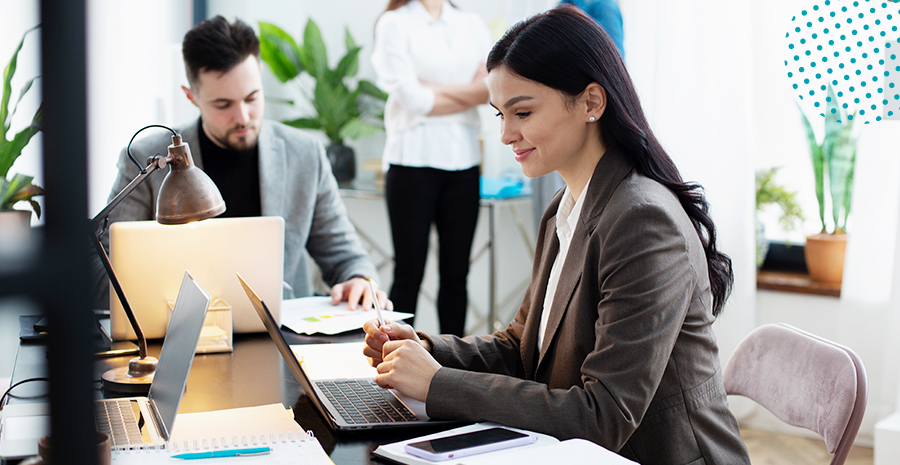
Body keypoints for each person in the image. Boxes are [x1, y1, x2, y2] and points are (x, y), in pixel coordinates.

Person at [363, 6, 750, 464]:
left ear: (591, 102)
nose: (507, 134)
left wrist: (437, 383)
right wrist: (425, 349)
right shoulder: (564, 209)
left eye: (522, 111)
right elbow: (522, 349)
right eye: (499, 115)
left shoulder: (643, 221)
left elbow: (603, 416)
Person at [89, 16, 387, 311]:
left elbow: (346, 258)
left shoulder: (304, 154)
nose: (243, 117)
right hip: (177, 332)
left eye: (252, 97)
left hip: (282, 337)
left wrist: (360, 280)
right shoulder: (148, 160)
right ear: (191, 96)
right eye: (223, 105)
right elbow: (98, 274)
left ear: (258, 72)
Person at [371, 0, 493, 337]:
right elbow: (413, 100)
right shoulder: (394, 23)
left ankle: (452, 368)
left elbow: (491, 89)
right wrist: (468, 93)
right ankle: (394, 359)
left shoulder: (472, 24)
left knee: (457, 275)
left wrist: (430, 90)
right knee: (409, 273)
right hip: (411, 162)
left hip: (464, 162)